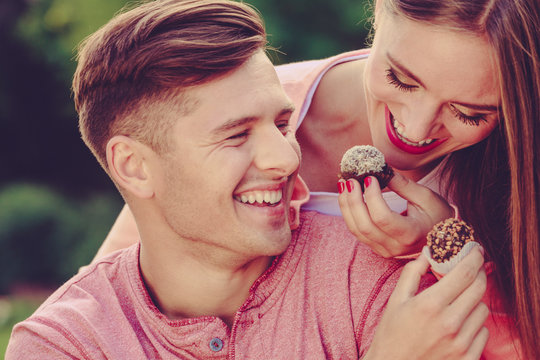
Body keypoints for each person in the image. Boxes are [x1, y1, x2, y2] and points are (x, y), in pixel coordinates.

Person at [5, 0, 490, 359]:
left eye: (282, 124)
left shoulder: (369, 277)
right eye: (236, 135)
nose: (286, 157)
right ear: (133, 166)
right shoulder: (65, 344)